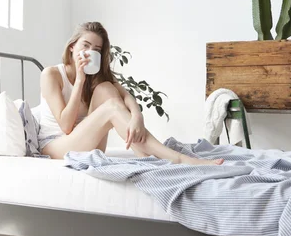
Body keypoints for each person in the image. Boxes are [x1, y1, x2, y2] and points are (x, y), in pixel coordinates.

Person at [38, 22, 224, 165]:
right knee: (110, 108)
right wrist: (79, 80)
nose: (89, 53)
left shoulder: (96, 76)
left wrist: (137, 116)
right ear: (72, 46)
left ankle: (145, 156)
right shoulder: (52, 74)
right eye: (85, 46)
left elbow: (126, 96)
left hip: (88, 144)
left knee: (106, 89)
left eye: (96, 50)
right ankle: (178, 159)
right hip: (56, 147)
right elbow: (66, 127)